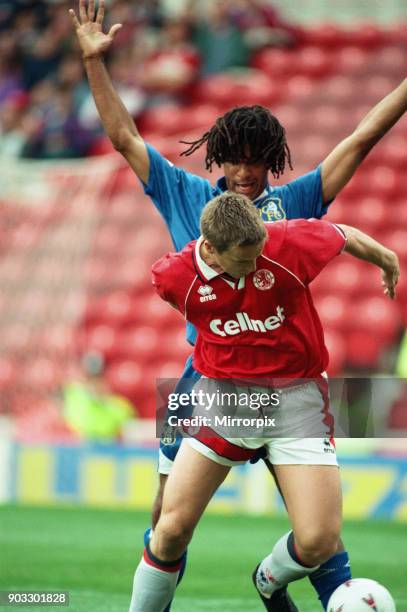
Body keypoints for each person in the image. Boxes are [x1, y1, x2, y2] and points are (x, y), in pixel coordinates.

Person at [68, 1, 407, 609]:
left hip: (286, 373)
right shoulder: (185, 193)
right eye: (235, 158)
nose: (245, 170)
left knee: (320, 531)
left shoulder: (299, 201)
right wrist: (96, 62)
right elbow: (122, 136)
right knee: (166, 519)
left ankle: (303, 590)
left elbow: (363, 138)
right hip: (205, 375)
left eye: (256, 159)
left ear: (271, 161)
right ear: (218, 158)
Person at [130, 192, 399, 611]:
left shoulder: (288, 243)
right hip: (224, 400)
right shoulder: (172, 277)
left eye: (259, 253)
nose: (256, 265)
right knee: (170, 530)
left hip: (297, 400)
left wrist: (387, 259)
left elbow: (345, 236)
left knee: (318, 540)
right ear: (210, 250)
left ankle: (268, 578)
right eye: (243, 260)